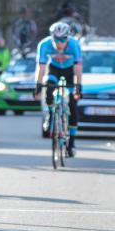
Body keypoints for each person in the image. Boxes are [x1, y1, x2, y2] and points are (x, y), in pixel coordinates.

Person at [34, 22, 82, 157]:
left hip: (69, 71)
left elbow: (78, 68)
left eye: (62, 40)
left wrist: (78, 87)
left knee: (73, 103)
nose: (59, 44)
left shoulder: (74, 45)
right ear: (51, 37)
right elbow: (41, 68)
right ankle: (50, 114)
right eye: (56, 40)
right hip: (53, 69)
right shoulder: (44, 45)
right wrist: (38, 87)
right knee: (48, 87)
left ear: (67, 38)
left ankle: (71, 143)